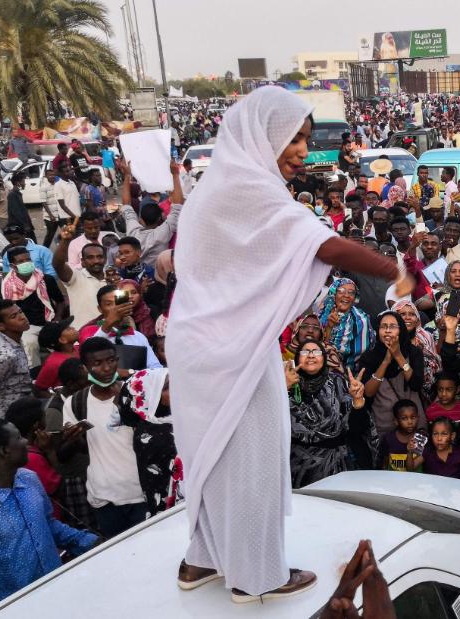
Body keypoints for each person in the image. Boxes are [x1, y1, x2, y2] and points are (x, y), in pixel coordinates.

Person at [166, 87, 402, 602]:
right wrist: (396, 271)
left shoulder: (219, 184)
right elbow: (321, 244)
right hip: (230, 351)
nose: (302, 149)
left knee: (212, 455)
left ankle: (201, 559)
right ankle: (256, 577)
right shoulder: (249, 187)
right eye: (292, 137)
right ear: (260, 134)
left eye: (306, 138)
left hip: (202, 345)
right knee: (251, 458)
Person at [0, 418, 98, 605]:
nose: (26, 442)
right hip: (15, 608)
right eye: (18, 438)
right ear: (4, 451)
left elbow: (48, 524)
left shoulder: (29, 479)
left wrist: (88, 541)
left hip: (57, 591)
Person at [63, 337, 146, 537]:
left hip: (142, 492)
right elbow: (84, 448)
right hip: (105, 497)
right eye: (97, 364)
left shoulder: (135, 393)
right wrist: (74, 439)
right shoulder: (75, 403)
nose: (107, 368)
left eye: (111, 361)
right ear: (85, 368)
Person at [284, 340, 365, 488]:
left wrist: (357, 400)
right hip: (295, 465)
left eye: (316, 351)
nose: (310, 356)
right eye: (305, 352)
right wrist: (283, 388)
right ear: (297, 358)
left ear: (324, 358)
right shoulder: (286, 383)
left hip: (333, 466)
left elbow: (355, 429)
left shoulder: (338, 382)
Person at [116, 367, 180, 516]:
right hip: (174, 512)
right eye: (166, 387)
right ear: (149, 397)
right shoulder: (150, 435)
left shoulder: (175, 418)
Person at [355, 310, 426, 435]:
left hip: (413, 422)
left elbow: (416, 384)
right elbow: (368, 393)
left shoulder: (414, 352)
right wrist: (386, 361)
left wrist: (398, 356)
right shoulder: (369, 357)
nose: (387, 330)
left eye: (392, 326)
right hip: (383, 423)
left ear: (401, 330)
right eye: (383, 327)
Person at [0, 245, 64, 369]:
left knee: (65, 343)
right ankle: (33, 375)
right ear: (12, 266)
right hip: (27, 327)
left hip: (49, 322)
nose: (26, 263)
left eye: (28, 259)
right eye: (21, 261)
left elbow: (60, 301)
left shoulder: (45, 280)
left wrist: (58, 318)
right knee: (29, 344)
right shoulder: (5, 287)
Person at [0, 300, 33, 419]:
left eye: (20, 312)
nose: (22, 317)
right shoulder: (5, 355)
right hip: (6, 418)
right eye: (14, 316)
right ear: (0, 326)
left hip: (23, 404)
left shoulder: (15, 339)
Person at [318, 278, 373, 369]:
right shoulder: (320, 316)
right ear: (333, 294)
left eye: (351, 292)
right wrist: (329, 328)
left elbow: (364, 351)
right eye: (341, 291)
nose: (346, 295)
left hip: (349, 374)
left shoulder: (361, 320)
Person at [377, 399, 420, 472]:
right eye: (404, 418)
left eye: (413, 417)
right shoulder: (388, 439)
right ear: (396, 421)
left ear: (418, 418)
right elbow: (385, 463)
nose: (410, 422)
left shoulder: (421, 438)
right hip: (393, 481)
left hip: (416, 481)